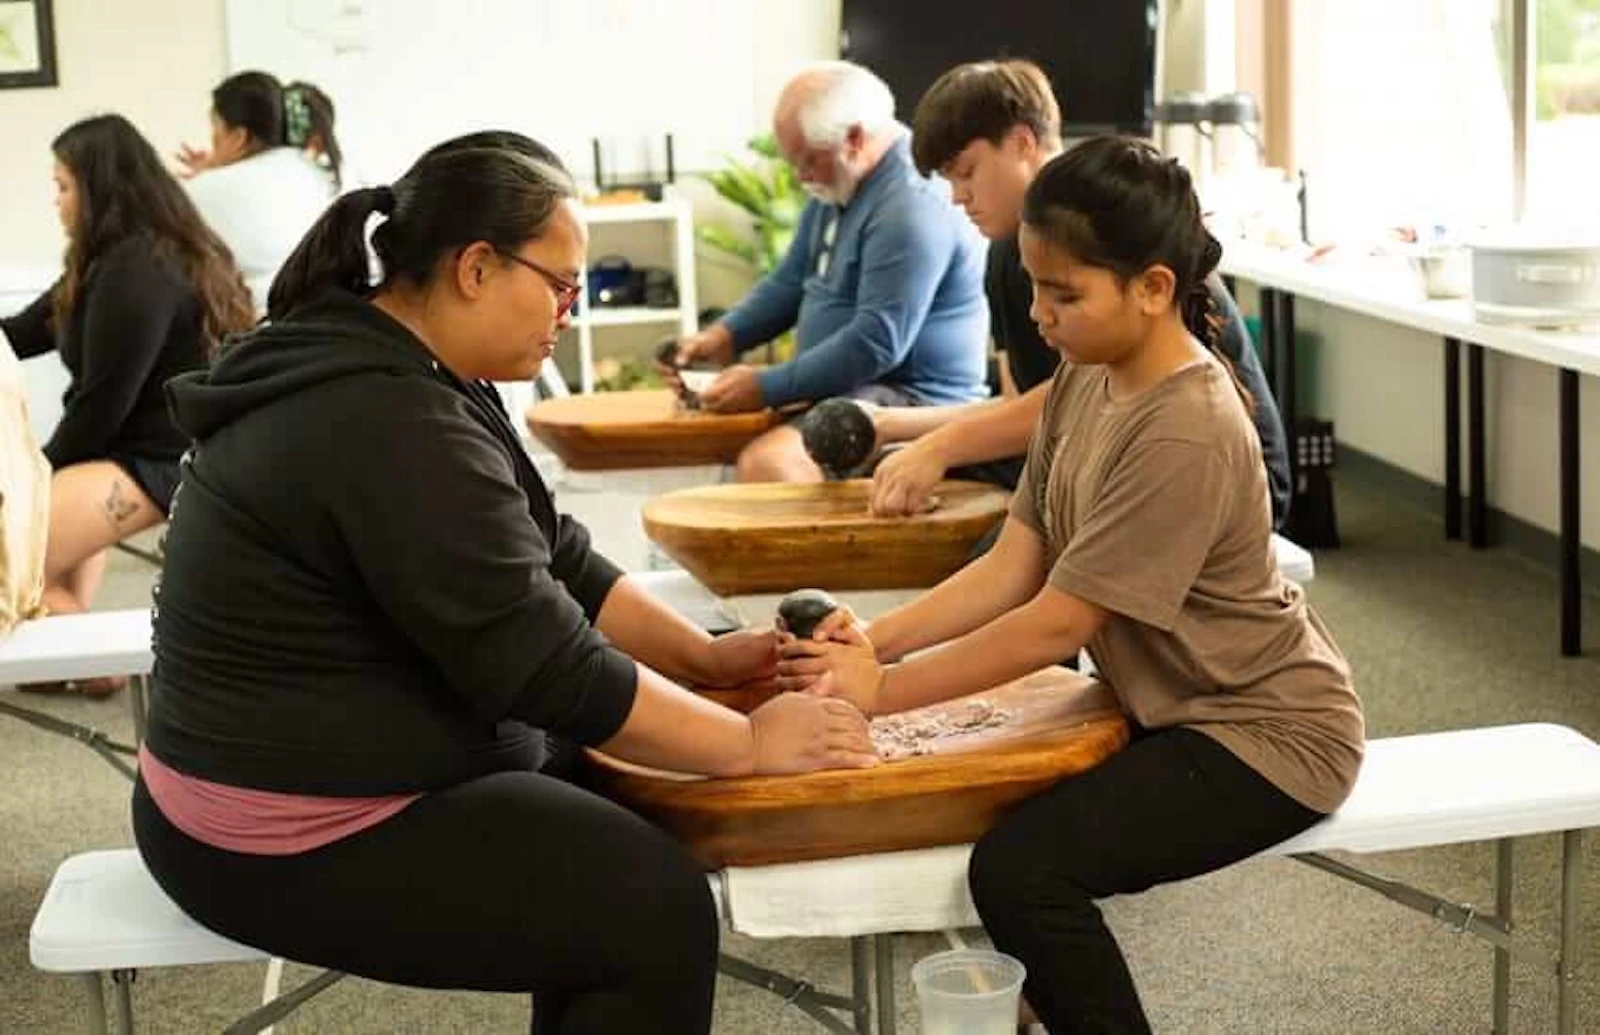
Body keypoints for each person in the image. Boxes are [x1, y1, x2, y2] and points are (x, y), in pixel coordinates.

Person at [133, 140, 877, 1035]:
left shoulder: (409, 364)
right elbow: (547, 665)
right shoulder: (387, 416)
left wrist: (707, 661)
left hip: (302, 769)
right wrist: (750, 742)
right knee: (652, 910)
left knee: (612, 795)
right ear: (475, 267)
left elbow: (554, 554)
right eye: (560, 284)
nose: (570, 308)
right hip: (276, 827)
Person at [777, 137, 1363, 1035]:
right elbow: (1014, 566)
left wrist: (882, 696)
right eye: (1035, 287)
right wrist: (874, 643)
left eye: (1065, 294)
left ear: (1153, 288)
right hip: (1166, 703)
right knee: (988, 809)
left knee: (1022, 869)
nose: (1040, 316)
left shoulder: (1187, 427)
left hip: (1264, 731)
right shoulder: (1087, 378)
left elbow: (1053, 624)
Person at [867, 60, 1291, 528]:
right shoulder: (1006, 254)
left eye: (965, 172)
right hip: (1101, 444)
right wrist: (891, 427)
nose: (957, 197)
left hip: (1206, 470)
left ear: (1022, 143)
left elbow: (1077, 400)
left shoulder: (1115, 225)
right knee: (900, 468)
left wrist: (943, 445)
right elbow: (1025, 405)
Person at [1, 115, 253, 693]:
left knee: (11, 565)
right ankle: (75, 657)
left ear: (99, 188)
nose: (57, 201)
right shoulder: (104, 260)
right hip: (127, 451)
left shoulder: (139, 269)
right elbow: (20, 332)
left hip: (160, 460)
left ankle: (105, 663)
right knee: (32, 560)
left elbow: (101, 404)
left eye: (63, 186)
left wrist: (36, 474)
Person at [661, 61, 988, 482]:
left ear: (853, 138)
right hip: (857, 387)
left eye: (808, 161)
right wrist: (725, 337)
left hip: (910, 398)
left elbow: (876, 342)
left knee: (770, 465)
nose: (801, 176)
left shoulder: (910, 205)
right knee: (721, 437)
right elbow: (792, 278)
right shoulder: (842, 178)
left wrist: (767, 386)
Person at [179, 71, 341, 310]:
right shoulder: (317, 175)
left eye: (216, 130)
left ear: (239, 137)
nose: (212, 141)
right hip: (318, 320)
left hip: (247, 331)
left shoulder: (204, 192)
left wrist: (210, 177)